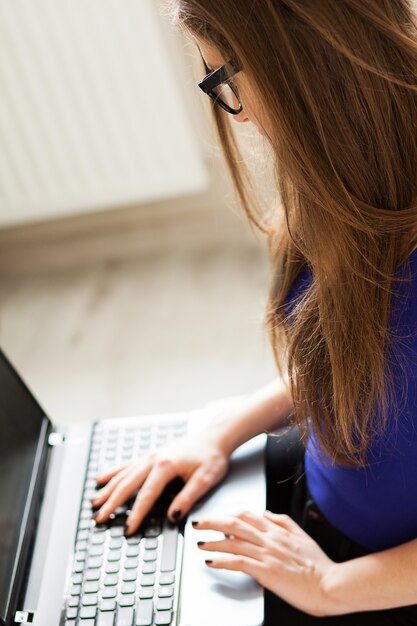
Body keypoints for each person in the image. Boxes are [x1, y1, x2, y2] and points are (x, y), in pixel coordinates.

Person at [91, 1, 417, 623]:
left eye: (226, 83)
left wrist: (331, 587)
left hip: (379, 574)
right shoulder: (357, 180)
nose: (239, 116)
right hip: (328, 498)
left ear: (295, 65)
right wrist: (223, 431)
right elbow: (370, 364)